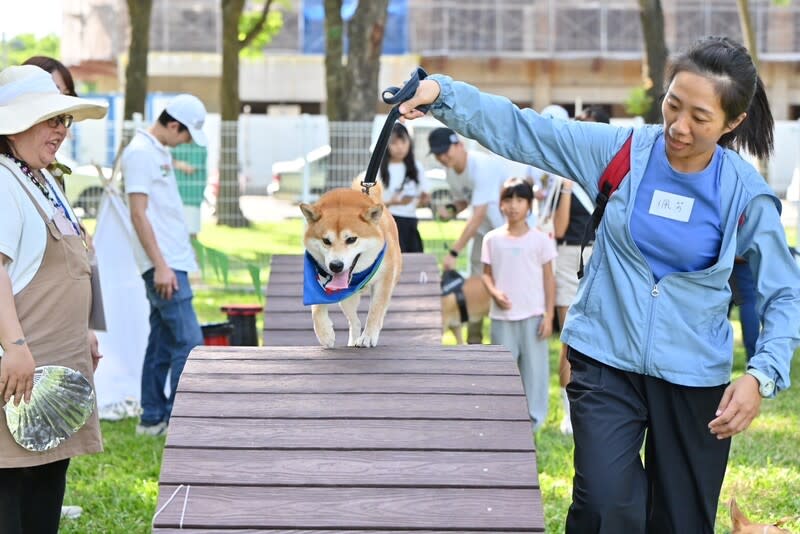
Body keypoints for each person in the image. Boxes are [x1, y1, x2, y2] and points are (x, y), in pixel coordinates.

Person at [398, 36, 800, 533]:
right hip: (606, 356)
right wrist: (441, 93)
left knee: (682, 521)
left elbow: (784, 290)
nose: (678, 126)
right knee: (608, 507)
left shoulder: (744, 192)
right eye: (672, 105)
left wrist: (762, 375)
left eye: (700, 118)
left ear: (733, 122)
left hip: (694, 376)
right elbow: (524, 131)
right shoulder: (622, 152)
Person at [0, 64, 107, 534]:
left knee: (47, 483)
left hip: (59, 368)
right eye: (50, 119)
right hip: (22, 370)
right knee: (12, 493)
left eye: (64, 120)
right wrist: (17, 348)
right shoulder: (4, 182)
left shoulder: (41, 180)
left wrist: (82, 330)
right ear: (16, 125)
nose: (61, 130)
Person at [122, 94, 207, 437]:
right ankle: (181, 421)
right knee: (189, 342)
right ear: (174, 125)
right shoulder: (140, 153)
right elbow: (138, 213)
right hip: (164, 265)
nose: (186, 142)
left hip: (172, 261)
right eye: (185, 135)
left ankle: (152, 418)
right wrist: (160, 265)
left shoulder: (156, 151)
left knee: (161, 342)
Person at [553, 105, 611, 435]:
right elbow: (559, 228)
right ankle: (567, 411)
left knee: (601, 337)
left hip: (604, 259)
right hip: (568, 258)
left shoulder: (618, 172)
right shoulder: (568, 172)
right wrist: (564, 186)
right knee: (568, 337)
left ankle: (598, 408)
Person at [481, 178, 556, 431]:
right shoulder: (492, 239)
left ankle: (533, 421)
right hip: (502, 318)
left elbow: (549, 278)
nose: (513, 206)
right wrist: (494, 292)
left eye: (520, 200)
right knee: (503, 372)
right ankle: (503, 419)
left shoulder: (540, 240)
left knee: (535, 373)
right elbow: (486, 274)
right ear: (501, 204)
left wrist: (549, 315)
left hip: (533, 316)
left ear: (529, 205)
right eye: (508, 200)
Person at [428, 127, 509, 343]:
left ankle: (504, 340)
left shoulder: (481, 166)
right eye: (437, 154)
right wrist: (450, 211)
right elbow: (465, 201)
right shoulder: (451, 172)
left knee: (505, 284)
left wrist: (454, 252)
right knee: (478, 283)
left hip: (506, 235)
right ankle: (474, 341)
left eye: (445, 151)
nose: (443, 157)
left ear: (459, 145)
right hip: (484, 234)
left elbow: (478, 213)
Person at [379, 122, 429, 252]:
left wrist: (423, 199)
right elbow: (372, 204)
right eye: (394, 143)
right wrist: (392, 202)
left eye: (403, 142)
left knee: (413, 263)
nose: (400, 147)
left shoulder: (417, 167)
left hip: (411, 222)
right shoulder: (379, 171)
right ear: (386, 145)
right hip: (389, 223)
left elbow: (423, 198)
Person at [172, 140, 208, 240]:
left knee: (191, 235)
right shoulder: (175, 142)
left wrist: (173, 162)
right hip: (175, 197)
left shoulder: (198, 145)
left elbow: (190, 168)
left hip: (191, 197)